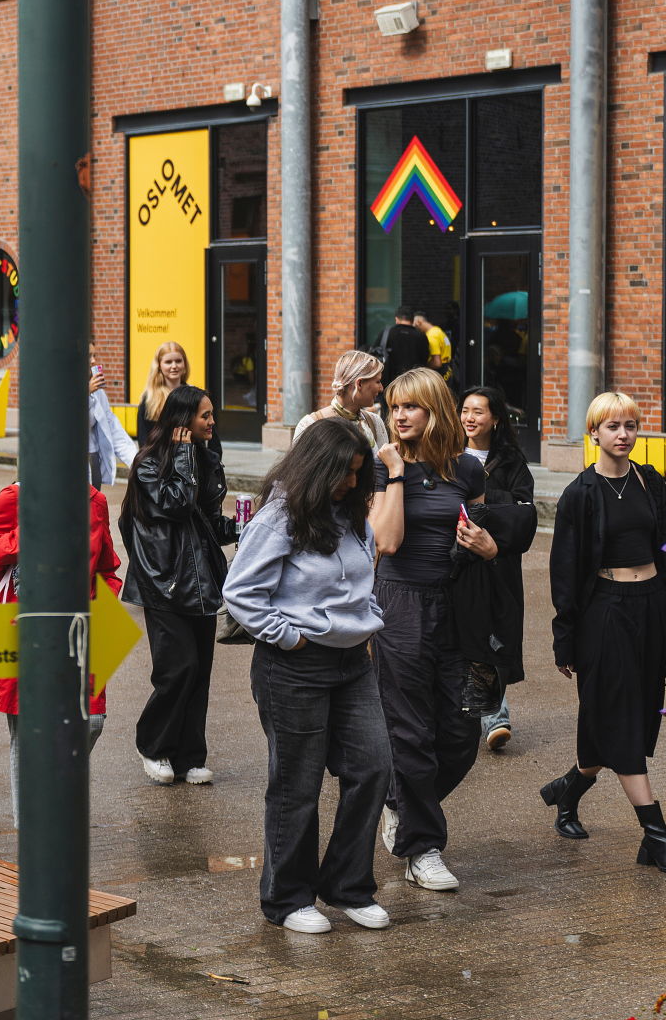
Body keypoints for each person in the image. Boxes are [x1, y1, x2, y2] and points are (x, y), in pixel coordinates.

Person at [225, 418, 396, 934]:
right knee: (297, 783)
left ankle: (347, 887)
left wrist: (365, 620)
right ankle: (286, 898)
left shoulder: (352, 514)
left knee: (373, 767)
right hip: (294, 666)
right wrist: (290, 636)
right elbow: (239, 592)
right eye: (343, 474)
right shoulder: (281, 515)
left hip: (352, 662)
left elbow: (364, 573)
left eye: (358, 474)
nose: (350, 484)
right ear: (317, 469)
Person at [540, 391, 666, 877]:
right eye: (613, 427)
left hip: (650, 606)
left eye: (630, 425)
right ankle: (656, 837)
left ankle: (569, 788)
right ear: (594, 434)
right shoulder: (580, 494)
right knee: (620, 720)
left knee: (625, 716)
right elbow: (564, 571)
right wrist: (564, 637)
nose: (624, 435)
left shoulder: (650, 482)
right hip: (604, 613)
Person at [370, 367, 494, 892]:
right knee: (412, 733)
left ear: (435, 410)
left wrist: (489, 546)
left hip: (454, 606)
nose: (398, 415)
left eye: (410, 407)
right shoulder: (382, 467)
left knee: (463, 732)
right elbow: (387, 541)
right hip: (399, 604)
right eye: (393, 406)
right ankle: (424, 849)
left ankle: (400, 800)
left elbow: (485, 533)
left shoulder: (467, 469)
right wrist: (396, 471)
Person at [0, 480, 122, 813]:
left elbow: (107, 565)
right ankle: (33, 836)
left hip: (78, 631)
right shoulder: (19, 494)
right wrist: (26, 539)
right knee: (30, 738)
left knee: (91, 720)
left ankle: (48, 806)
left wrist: (104, 608)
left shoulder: (95, 500)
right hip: (28, 629)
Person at [121, 383, 232, 786]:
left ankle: (190, 755)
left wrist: (240, 527)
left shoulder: (207, 459)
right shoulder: (150, 463)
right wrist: (185, 456)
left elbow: (203, 521)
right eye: (205, 416)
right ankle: (153, 745)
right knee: (177, 669)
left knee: (198, 671)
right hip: (162, 582)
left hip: (200, 581)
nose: (212, 422)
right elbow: (174, 505)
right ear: (183, 421)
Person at [461, 385, 535, 753]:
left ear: (495, 419)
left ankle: (494, 710)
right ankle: (485, 709)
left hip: (499, 562)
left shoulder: (510, 461)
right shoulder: (447, 453)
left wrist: (482, 501)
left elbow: (524, 509)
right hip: (458, 562)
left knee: (497, 632)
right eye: (465, 410)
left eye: (478, 411)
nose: (470, 418)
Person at [293, 350, 386, 449]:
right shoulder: (309, 425)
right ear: (359, 384)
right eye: (378, 381)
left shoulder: (375, 423)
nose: (381, 388)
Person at [86, 350, 138, 490]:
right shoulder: (59, 389)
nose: (93, 361)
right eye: (88, 356)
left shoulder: (99, 393)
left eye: (94, 355)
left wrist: (137, 461)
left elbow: (112, 429)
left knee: (92, 509)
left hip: (93, 460)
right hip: (70, 465)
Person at [136, 340, 190, 430]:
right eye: (168, 362)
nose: (174, 366)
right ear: (159, 366)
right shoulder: (149, 400)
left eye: (178, 361)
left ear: (184, 364)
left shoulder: (194, 396)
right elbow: (144, 439)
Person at [379, 305, 430, 386]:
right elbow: (425, 358)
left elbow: (377, 354)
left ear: (396, 319)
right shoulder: (421, 335)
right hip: (414, 382)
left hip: (390, 382)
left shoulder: (387, 333)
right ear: (412, 320)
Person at [414, 309, 453, 380]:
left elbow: (436, 362)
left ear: (418, 322)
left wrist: (422, 368)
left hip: (440, 374)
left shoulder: (431, 336)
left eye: (415, 326)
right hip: (448, 371)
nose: (416, 329)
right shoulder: (438, 331)